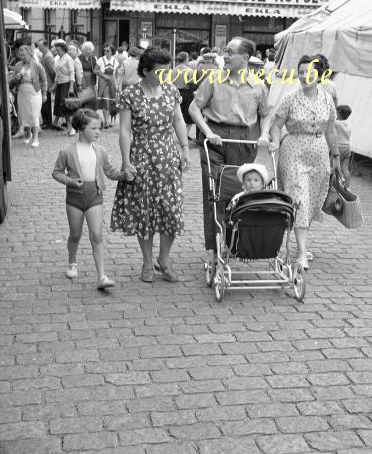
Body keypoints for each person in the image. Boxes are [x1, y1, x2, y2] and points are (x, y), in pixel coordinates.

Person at [110, 47, 190, 284]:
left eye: (167, 70)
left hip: (168, 158)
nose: (165, 75)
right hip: (142, 158)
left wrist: (185, 148)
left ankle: (163, 259)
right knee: (144, 212)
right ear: (146, 71)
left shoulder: (172, 91)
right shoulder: (130, 95)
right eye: (160, 71)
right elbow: (124, 130)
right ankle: (147, 261)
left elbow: (178, 120)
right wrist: (126, 161)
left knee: (170, 210)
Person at [189, 37, 270, 263]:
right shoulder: (213, 79)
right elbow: (194, 107)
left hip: (244, 140)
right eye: (224, 51)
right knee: (214, 192)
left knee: (240, 192)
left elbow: (266, 113)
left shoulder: (258, 85)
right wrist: (207, 131)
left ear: (244, 58)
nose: (224, 55)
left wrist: (263, 135)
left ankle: (234, 242)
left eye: (230, 52)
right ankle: (213, 248)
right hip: (215, 138)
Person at [268, 54, 341, 270]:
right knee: (299, 197)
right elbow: (276, 125)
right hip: (294, 151)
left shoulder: (327, 99)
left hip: (319, 153)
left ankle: (301, 243)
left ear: (319, 75)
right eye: (301, 72)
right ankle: (300, 254)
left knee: (311, 198)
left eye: (309, 72)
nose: (304, 76)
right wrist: (274, 141)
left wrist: (336, 156)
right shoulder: (291, 98)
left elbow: (331, 130)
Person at [52, 109, 123, 290]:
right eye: (93, 128)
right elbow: (56, 173)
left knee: (97, 235)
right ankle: (72, 262)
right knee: (75, 234)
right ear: (81, 129)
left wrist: (124, 175)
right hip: (74, 199)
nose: (98, 131)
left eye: (99, 128)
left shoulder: (100, 151)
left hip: (94, 197)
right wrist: (70, 181)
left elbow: (109, 171)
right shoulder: (67, 151)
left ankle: (102, 276)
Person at [9, 44, 47, 147]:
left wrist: (44, 94)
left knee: (34, 115)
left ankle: (36, 138)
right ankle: (28, 135)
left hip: (34, 92)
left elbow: (44, 80)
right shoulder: (18, 65)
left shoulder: (37, 65)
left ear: (30, 54)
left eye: (24, 55)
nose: (22, 57)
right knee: (24, 115)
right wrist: (16, 78)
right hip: (22, 92)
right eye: (20, 55)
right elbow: (12, 79)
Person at [52, 40, 77, 135]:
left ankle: (73, 128)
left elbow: (72, 72)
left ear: (63, 49)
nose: (56, 52)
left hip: (67, 84)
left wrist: (71, 87)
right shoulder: (59, 58)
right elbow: (57, 74)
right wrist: (54, 85)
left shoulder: (68, 58)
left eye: (58, 50)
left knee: (69, 106)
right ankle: (69, 128)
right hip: (61, 84)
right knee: (63, 107)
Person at [96, 43, 118, 128]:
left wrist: (116, 85)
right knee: (105, 101)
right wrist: (103, 75)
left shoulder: (115, 61)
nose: (106, 52)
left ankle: (108, 120)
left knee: (110, 101)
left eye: (108, 50)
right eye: (104, 50)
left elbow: (116, 73)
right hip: (103, 81)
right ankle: (106, 121)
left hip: (112, 81)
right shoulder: (101, 60)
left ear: (112, 51)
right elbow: (96, 70)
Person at [37, 39, 56, 129]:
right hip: (44, 82)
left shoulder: (48, 56)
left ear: (45, 46)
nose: (39, 48)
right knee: (43, 103)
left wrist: (53, 84)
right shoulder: (44, 55)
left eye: (40, 46)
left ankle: (47, 122)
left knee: (46, 104)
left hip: (47, 83)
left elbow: (52, 71)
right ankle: (46, 121)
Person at [335, 104, 353, 186]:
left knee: (335, 166)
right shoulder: (347, 126)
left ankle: (338, 182)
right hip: (347, 148)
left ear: (338, 112)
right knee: (345, 168)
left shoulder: (336, 123)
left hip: (339, 148)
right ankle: (348, 186)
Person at [79, 41, 98, 109]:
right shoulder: (80, 57)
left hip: (90, 79)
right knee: (83, 96)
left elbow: (95, 69)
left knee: (90, 97)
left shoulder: (93, 58)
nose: (88, 51)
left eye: (90, 49)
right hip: (82, 78)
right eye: (87, 49)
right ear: (83, 49)